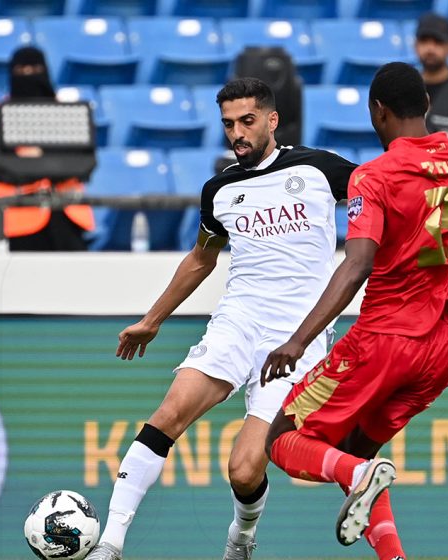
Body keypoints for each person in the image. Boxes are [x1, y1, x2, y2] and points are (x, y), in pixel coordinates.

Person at [260, 62, 448, 560]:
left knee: (281, 440)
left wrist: (297, 341)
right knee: (356, 451)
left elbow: (357, 264)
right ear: (427, 106)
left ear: (377, 111)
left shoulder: (375, 176)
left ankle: (360, 476)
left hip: (385, 340)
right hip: (446, 350)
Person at [81, 77, 357, 560]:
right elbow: (201, 258)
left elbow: (391, 198)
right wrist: (153, 319)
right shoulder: (221, 189)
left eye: (247, 121)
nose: (237, 133)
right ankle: (109, 544)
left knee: (245, 470)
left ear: (272, 120)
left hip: (298, 336)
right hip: (238, 321)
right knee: (168, 414)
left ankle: (240, 541)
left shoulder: (320, 169)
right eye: (229, 124)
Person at [0, 46, 94, 251]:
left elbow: (82, 161)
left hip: (67, 214)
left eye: (35, 69)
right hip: (18, 217)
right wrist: (50, 163)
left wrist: (34, 161)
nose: (28, 76)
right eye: (21, 70)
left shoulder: (67, 114)